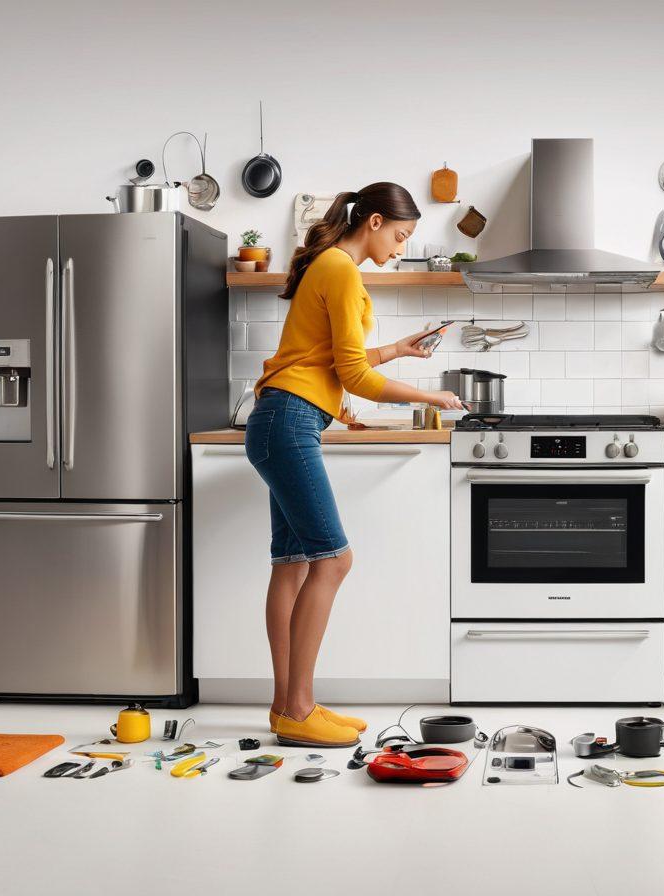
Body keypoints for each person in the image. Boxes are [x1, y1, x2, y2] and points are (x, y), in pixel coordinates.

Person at [244, 182, 465, 748]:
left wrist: (398, 349)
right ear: (373, 222)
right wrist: (431, 396)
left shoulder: (331, 264)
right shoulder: (341, 269)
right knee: (334, 560)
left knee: (293, 563)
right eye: (400, 236)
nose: (400, 248)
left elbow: (329, 360)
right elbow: (355, 377)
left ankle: (289, 707)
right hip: (289, 422)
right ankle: (298, 710)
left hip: (284, 418)